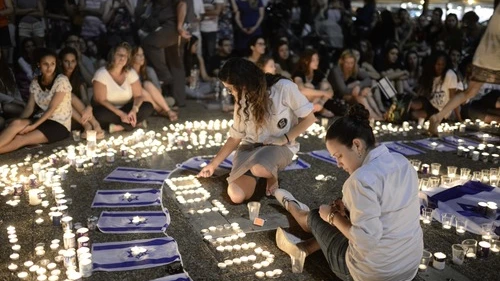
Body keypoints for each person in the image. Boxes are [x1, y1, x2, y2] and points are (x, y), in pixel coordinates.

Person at [273, 104, 423, 281]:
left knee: (317, 215)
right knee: (344, 218)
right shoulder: (402, 161)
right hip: (408, 266)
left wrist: (332, 217)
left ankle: (294, 209)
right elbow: (387, 211)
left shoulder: (360, 180)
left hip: (371, 273)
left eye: (339, 156)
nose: (338, 164)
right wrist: (347, 211)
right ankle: (305, 246)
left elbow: (366, 241)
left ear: (357, 145)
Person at [197, 58, 316, 204]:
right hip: (250, 148)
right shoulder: (241, 100)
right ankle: (261, 172)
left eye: (230, 88)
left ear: (244, 83)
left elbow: (309, 118)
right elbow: (235, 137)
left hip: (277, 147)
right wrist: (213, 164)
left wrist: (284, 138)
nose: (230, 93)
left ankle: (270, 174)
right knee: (236, 196)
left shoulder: (283, 88)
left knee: (259, 168)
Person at [429, 1, 500, 134]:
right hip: (493, 51)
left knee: (470, 91)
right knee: (471, 91)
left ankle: (437, 117)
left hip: (487, 50)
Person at [0, 48, 72, 154]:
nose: (49, 67)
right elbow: (29, 107)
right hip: (40, 118)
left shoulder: (61, 81)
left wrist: (32, 127)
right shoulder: (35, 82)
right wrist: (19, 124)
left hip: (58, 124)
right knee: (16, 123)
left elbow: (52, 108)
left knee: (20, 139)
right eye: (45, 64)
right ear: (39, 65)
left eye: (52, 64)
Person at [142, 0, 195, 108]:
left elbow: (182, 3)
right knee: (176, 63)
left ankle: (166, 78)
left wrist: (179, 27)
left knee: (149, 43)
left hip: (174, 26)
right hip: (180, 26)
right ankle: (179, 100)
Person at [92, 42, 154, 133]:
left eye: (125, 56)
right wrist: (121, 114)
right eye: (119, 55)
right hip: (110, 110)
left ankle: (118, 127)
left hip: (127, 108)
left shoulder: (130, 72)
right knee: (99, 114)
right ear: (112, 56)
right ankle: (133, 124)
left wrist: (134, 110)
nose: (122, 58)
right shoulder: (101, 74)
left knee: (148, 106)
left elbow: (139, 96)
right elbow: (101, 100)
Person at [59, 47, 105, 139]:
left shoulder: (77, 79)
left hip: (79, 117)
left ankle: (94, 125)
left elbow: (85, 98)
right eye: (66, 61)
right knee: (67, 96)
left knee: (73, 97)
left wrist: (89, 107)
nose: (70, 65)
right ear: (61, 62)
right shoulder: (58, 79)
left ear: (76, 62)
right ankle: (89, 125)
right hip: (63, 117)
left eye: (73, 61)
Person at [329, 50, 383, 120]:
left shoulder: (354, 69)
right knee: (360, 95)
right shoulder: (336, 70)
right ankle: (371, 115)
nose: (349, 65)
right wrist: (359, 90)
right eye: (347, 63)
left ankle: (378, 113)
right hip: (336, 96)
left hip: (350, 93)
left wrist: (359, 87)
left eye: (351, 63)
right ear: (342, 61)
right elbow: (342, 90)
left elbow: (368, 79)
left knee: (366, 90)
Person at [131, 46, 178, 121]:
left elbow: (158, 90)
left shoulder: (148, 70)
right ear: (132, 57)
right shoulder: (129, 73)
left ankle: (165, 109)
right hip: (138, 102)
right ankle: (163, 110)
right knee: (141, 91)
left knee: (147, 84)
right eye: (138, 55)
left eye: (142, 54)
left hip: (154, 97)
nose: (142, 57)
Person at [410, 51, 459, 121]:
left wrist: (457, 116)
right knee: (412, 105)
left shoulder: (450, 75)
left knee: (414, 115)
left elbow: (453, 98)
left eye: (443, 64)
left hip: (441, 110)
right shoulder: (431, 75)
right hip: (430, 103)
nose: (440, 67)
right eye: (438, 64)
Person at [292, 49, 334, 117]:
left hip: (315, 102)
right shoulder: (299, 72)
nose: (316, 62)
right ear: (306, 61)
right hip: (299, 103)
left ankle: (319, 108)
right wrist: (323, 92)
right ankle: (315, 112)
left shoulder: (318, 72)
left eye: (317, 60)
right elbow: (301, 90)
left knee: (325, 85)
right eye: (313, 60)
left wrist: (321, 102)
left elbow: (330, 91)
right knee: (308, 86)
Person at [0, 50, 25, 119]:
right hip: (3, 107)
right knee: (7, 107)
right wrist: (16, 101)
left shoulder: (7, 70)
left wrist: (21, 102)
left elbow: (15, 89)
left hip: (12, 105)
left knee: (9, 107)